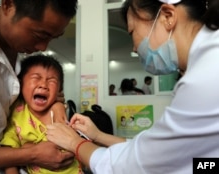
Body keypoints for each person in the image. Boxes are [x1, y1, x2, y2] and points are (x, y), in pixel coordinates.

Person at [45, 0, 219, 173]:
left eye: (132, 32)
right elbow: (157, 150)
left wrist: (74, 143)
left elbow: (138, 164)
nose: (135, 48)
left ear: (168, 16)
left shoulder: (205, 76)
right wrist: (98, 136)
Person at [0, 0, 78, 173]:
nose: (43, 47)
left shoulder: (20, 52)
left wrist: (57, 106)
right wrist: (31, 154)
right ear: (8, 5)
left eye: (53, 37)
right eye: (39, 35)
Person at [0, 55, 80, 174]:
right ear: (20, 84)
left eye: (51, 81)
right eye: (36, 78)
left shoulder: (59, 113)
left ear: (59, 89)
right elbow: (8, 150)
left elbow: (72, 148)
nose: (43, 84)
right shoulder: (16, 113)